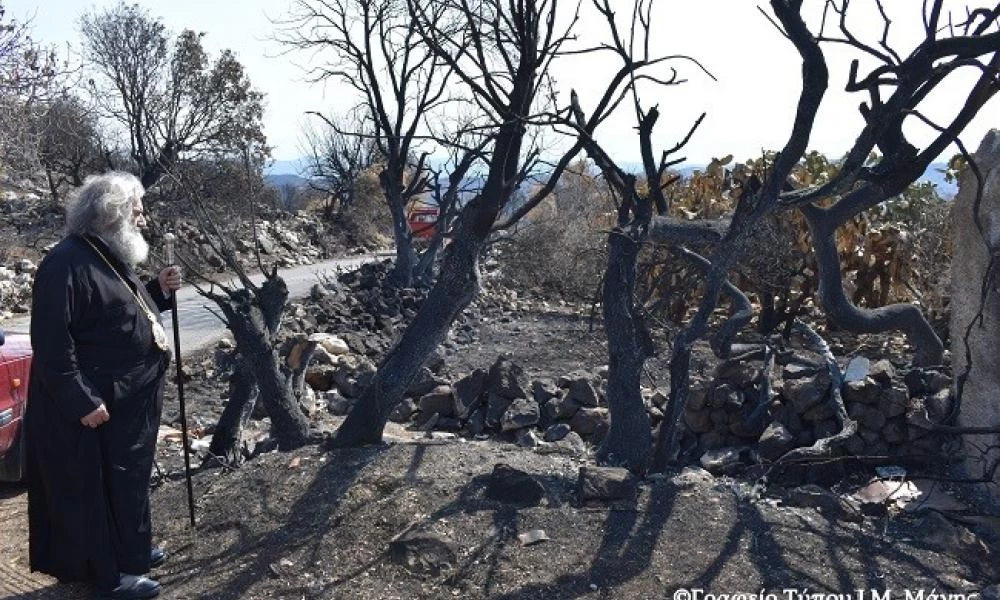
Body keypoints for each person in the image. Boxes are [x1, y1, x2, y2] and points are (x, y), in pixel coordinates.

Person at [25, 171, 182, 600]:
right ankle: (115, 575)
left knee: (130, 482)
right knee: (106, 488)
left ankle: (133, 551)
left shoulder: (105, 254)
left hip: (129, 402)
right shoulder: (65, 264)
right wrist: (80, 400)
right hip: (98, 406)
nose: (144, 219)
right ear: (113, 215)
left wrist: (157, 291)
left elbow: (119, 311)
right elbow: (52, 345)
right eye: (137, 211)